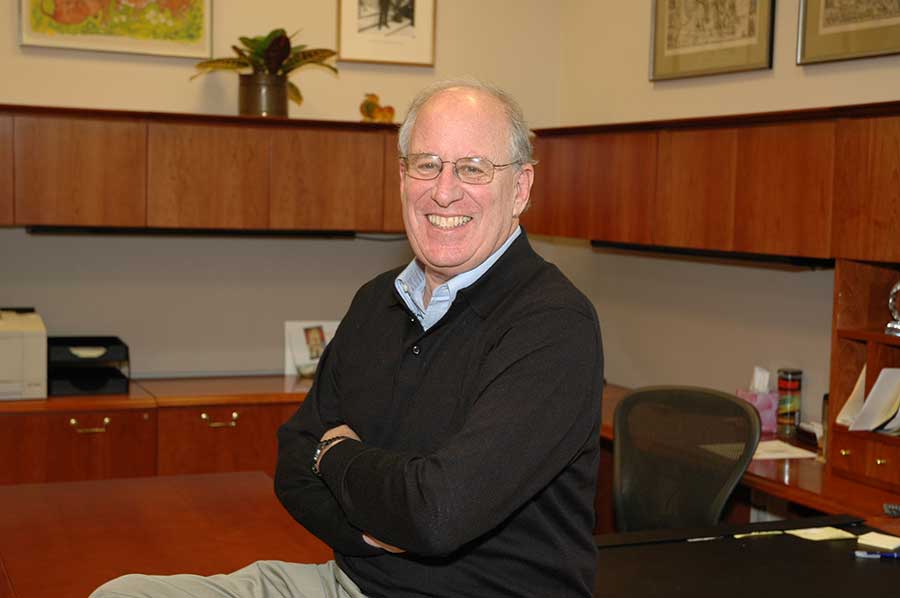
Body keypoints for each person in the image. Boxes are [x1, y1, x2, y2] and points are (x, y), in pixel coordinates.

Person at [91, 79, 604, 598]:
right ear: (403, 176)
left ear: (520, 188)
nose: (444, 190)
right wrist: (367, 528)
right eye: (426, 164)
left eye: (473, 168)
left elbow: (437, 513)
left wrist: (332, 455)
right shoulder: (376, 302)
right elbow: (293, 457)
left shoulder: (553, 324)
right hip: (350, 581)